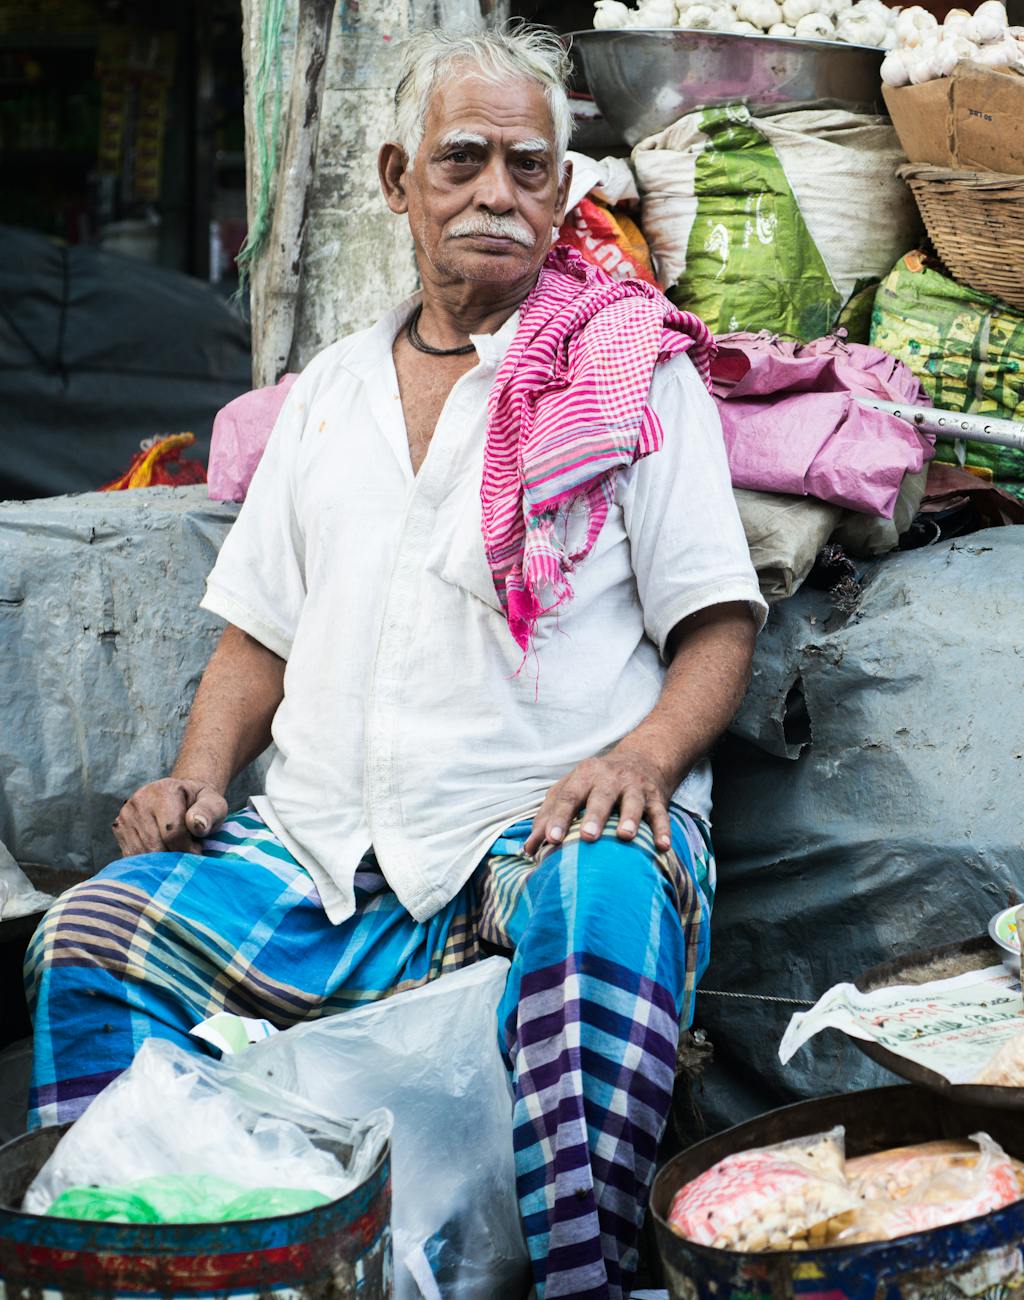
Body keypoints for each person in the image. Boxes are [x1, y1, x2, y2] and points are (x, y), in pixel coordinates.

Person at [25, 23, 763, 1300]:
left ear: (564, 191)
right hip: (320, 853)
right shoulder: (326, 396)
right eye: (463, 159)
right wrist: (197, 781)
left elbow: (717, 621)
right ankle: (147, 1262)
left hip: (531, 832)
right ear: (395, 180)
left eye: (531, 168)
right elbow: (258, 633)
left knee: (604, 912)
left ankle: (580, 1286)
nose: (497, 193)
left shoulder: (627, 376)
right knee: (93, 937)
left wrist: (641, 759)